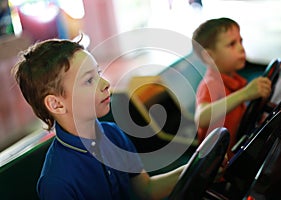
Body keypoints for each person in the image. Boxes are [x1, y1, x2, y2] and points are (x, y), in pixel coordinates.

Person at [12, 38, 186, 200]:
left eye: (99, 73)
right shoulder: (57, 181)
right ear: (56, 104)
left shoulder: (113, 133)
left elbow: (146, 189)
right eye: (89, 80)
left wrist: (195, 166)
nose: (105, 84)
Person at [192, 17, 272, 159]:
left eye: (240, 41)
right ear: (209, 56)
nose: (241, 48)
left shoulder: (233, 79)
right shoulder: (211, 84)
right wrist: (245, 93)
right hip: (222, 163)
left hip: (238, 148)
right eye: (232, 44)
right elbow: (201, 118)